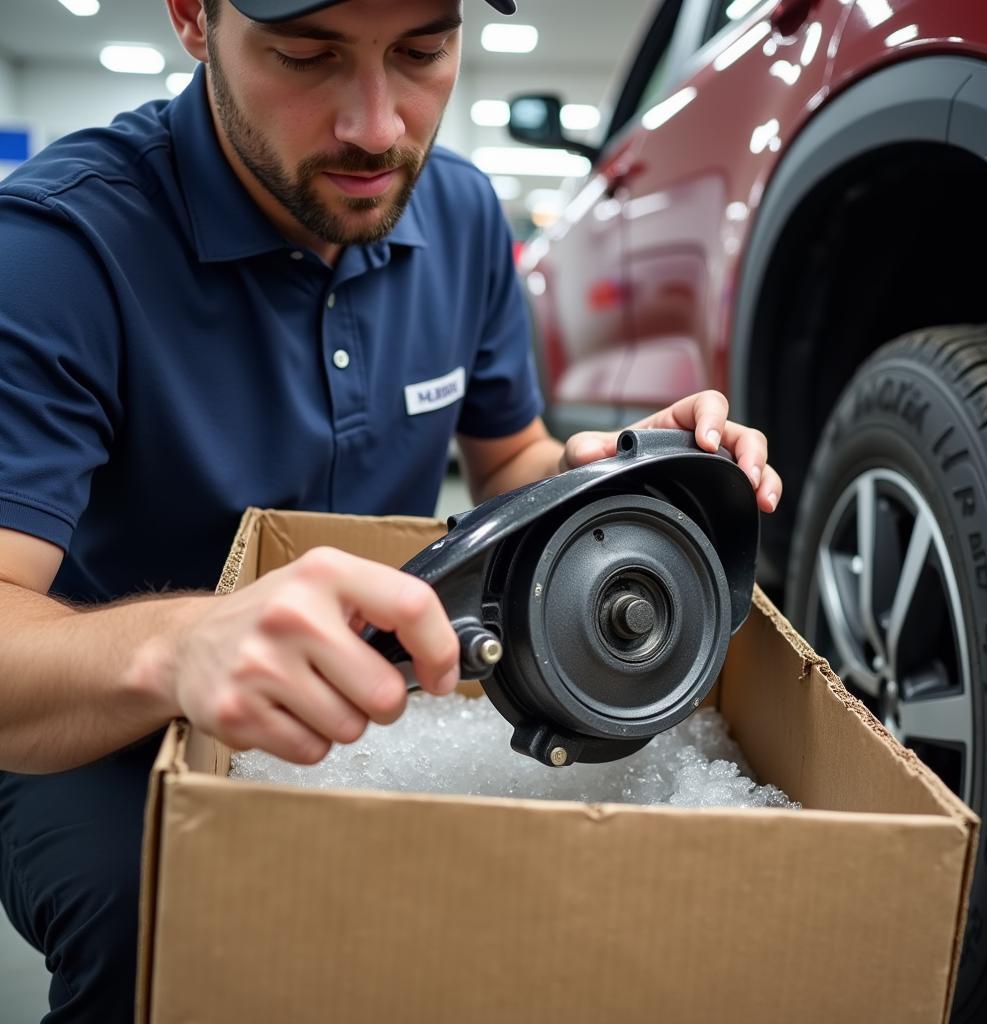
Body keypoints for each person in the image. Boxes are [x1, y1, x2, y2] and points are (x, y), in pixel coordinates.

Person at [0, 0, 783, 1019]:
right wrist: (183, 646)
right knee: (161, 908)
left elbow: (510, 458)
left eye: (421, 53)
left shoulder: (456, 214)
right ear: (193, 17)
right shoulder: (57, 246)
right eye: (305, 55)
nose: (377, 125)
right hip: (104, 714)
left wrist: (597, 476)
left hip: (374, 696)